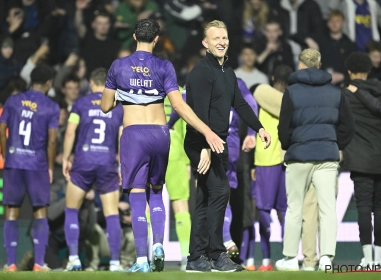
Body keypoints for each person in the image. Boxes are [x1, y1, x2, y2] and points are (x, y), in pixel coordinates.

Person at [100, 18, 224, 273]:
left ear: (134, 37)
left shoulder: (118, 66)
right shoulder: (165, 66)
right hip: (160, 134)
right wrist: (206, 130)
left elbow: (104, 106)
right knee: (156, 192)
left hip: (134, 135)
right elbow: (178, 106)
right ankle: (159, 244)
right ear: (156, 39)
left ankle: (143, 259)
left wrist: (125, 94)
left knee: (137, 196)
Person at [184, 20, 271, 273]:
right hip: (202, 142)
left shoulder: (228, 71)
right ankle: (217, 253)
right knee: (221, 191)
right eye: (215, 38)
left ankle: (196, 258)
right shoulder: (201, 72)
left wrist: (259, 127)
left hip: (217, 143)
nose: (221, 42)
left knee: (205, 198)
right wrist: (205, 146)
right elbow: (197, 112)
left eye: (224, 37)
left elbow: (241, 105)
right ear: (205, 43)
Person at [276, 49, 355, 271]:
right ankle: (326, 258)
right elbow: (349, 128)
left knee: (294, 208)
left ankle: (291, 258)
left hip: (299, 157)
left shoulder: (290, 92)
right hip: (327, 157)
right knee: (328, 209)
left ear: (300, 65)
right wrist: (334, 144)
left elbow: (283, 129)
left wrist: (290, 144)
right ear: (319, 65)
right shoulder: (335, 92)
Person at [62, 68, 124, 272]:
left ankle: (73, 259)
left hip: (83, 162)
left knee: (72, 209)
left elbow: (70, 131)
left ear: (90, 83)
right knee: (112, 213)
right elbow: (122, 137)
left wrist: (65, 158)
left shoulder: (80, 103)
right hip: (107, 162)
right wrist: (122, 166)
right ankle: (115, 262)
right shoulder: (117, 107)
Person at [0, 65, 60, 272]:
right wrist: (50, 167)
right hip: (37, 164)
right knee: (40, 212)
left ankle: (10, 263)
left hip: (14, 162)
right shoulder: (51, 106)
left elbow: (1, 130)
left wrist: (5, 155)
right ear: (48, 83)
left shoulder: (13, 101)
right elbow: (52, 142)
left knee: (11, 211)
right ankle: (39, 263)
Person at [343, 52, 381, 269]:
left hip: (360, 158)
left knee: (365, 207)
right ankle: (380, 258)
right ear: (368, 70)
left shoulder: (346, 94)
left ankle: (367, 259)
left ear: (349, 72)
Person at [252, 65, 293, 271]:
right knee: (284, 211)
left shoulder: (261, 94)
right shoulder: (292, 101)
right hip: (285, 160)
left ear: (273, 76)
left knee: (264, 210)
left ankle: (267, 259)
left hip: (266, 159)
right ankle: (289, 257)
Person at [223, 77, 258, 260]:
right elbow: (252, 103)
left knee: (211, 198)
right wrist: (252, 133)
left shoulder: (200, 78)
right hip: (233, 145)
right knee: (225, 196)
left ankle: (221, 245)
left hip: (209, 143)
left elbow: (183, 103)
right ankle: (226, 245)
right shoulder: (236, 81)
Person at [164, 87, 192, 271]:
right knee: (180, 205)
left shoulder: (149, 89)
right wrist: (188, 161)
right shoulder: (180, 93)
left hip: (152, 151)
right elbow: (185, 127)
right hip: (175, 153)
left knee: (150, 203)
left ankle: (148, 256)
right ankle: (185, 257)